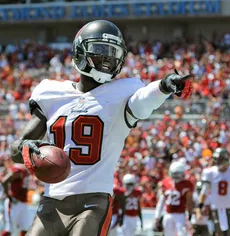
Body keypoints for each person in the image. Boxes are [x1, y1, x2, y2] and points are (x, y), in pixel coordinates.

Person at [10, 20, 192, 236]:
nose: (107, 58)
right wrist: (29, 150)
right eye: (100, 50)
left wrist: (163, 86)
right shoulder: (52, 94)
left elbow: (143, 102)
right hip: (52, 200)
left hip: (94, 199)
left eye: (113, 52)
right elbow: (16, 150)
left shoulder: (123, 92)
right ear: (80, 51)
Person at [196, 148, 230, 236]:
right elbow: (204, 192)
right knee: (218, 233)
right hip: (216, 208)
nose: (218, 162)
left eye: (220, 160)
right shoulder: (210, 172)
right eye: (217, 160)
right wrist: (199, 209)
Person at [154, 161, 194, 236]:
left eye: (177, 174)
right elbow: (161, 201)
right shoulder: (165, 183)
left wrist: (190, 217)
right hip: (168, 214)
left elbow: (189, 203)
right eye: (174, 173)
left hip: (180, 215)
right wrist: (157, 216)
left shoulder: (187, 184)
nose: (176, 176)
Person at [1, 162, 31, 236]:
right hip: (14, 202)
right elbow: (5, 181)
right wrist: (8, 195)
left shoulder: (28, 168)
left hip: (23, 202)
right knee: (9, 229)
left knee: (25, 228)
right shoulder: (19, 168)